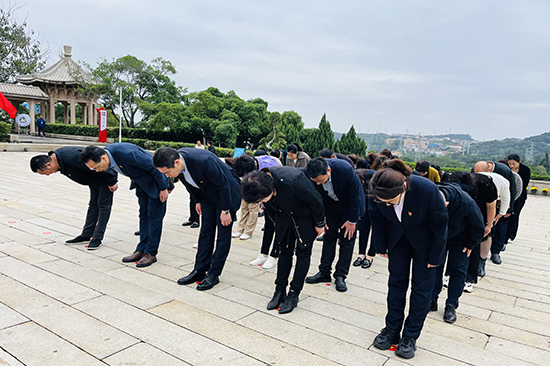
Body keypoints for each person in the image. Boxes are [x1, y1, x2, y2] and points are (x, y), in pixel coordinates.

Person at [369, 159, 448, 359]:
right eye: (383, 201)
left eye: (391, 201)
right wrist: (381, 245)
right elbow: (376, 217)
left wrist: (436, 256)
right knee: (396, 284)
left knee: (421, 290)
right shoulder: (378, 187)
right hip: (398, 240)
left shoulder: (427, 189)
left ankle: (410, 336)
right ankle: (392, 329)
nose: (386, 204)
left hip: (425, 243)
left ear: (404, 186)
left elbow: (440, 224)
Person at [153, 147, 241, 291]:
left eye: (167, 172)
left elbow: (223, 184)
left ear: (176, 162)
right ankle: (199, 270)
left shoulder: (203, 161)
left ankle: (214, 274)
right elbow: (189, 183)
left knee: (223, 234)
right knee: (206, 231)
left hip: (227, 194)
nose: (168, 176)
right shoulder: (177, 163)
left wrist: (226, 210)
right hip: (207, 194)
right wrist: (198, 201)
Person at [241, 167, 325, 314]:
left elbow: (316, 201)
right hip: (283, 217)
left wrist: (320, 224)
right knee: (284, 252)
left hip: (304, 218)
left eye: (261, 199)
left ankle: (294, 293)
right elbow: (269, 209)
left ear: (271, 190)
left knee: (303, 253)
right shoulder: (259, 183)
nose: (261, 202)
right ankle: (279, 290)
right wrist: (275, 223)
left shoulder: (294, 181)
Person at [80, 143, 169, 267]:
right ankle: (141, 249)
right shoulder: (109, 155)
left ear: (103, 158)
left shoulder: (127, 154)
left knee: (154, 218)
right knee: (143, 216)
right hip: (141, 184)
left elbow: (154, 166)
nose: (98, 170)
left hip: (155, 184)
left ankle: (151, 253)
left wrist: (164, 188)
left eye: (97, 167)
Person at [30, 147, 118, 250]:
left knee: (103, 206)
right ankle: (86, 234)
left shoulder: (72, 158)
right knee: (93, 205)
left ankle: (97, 238)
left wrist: (112, 181)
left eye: (46, 173)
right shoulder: (59, 160)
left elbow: (101, 162)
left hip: (105, 176)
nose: (48, 175)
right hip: (94, 178)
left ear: (48, 165)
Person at [305, 158, 365, 292]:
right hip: (330, 205)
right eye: (316, 182)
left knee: (347, 240)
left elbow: (355, 196)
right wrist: (321, 219)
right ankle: (324, 272)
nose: (319, 183)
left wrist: (352, 221)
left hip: (349, 205)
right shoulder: (310, 171)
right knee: (328, 237)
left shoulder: (344, 170)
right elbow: (315, 198)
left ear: (329, 171)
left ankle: (340, 275)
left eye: (321, 180)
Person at [430, 182, 484, 323]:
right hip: (439, 236)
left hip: (461, 238)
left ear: (446, 204)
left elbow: (479, 225)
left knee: (458, 269)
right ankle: (432, 299)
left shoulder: (466, 202)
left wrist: (471, 244)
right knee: (435, 266)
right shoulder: (431, 195)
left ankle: (451, 304)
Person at [449, 172, 497, 293]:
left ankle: (469, 279)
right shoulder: (454, 182)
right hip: (457, 214)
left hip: (479, 214)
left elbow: (491, 206)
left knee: (473, 247)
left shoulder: (486, 185)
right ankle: (452, 275)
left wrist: (489, 225)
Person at [474, 161, 516, 266]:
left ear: (488, 171)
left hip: (499, 202)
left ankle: (495, 252)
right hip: (480, 202)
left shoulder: (504, 174)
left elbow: (510, 193)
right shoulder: (475, 173)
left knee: (499, 227)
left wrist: (504, 212)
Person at [353, 169, 376, 268]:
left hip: (376, 204)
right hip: (364, 204)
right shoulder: (355, 176)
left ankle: (370, 255)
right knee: (363, 228)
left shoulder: (374, 177)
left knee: (375, 230)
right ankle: (361, 254)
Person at [505, 154, 530, 244]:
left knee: (515, 215)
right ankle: (505, 234)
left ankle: (512, 235)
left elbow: (524, 184)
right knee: (506, 214)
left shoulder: (525, 170)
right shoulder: (506, 168)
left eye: (514, 164)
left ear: (519, 162)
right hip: (508, 195)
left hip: (520, 196)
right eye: (510, 163)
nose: (511, 166)